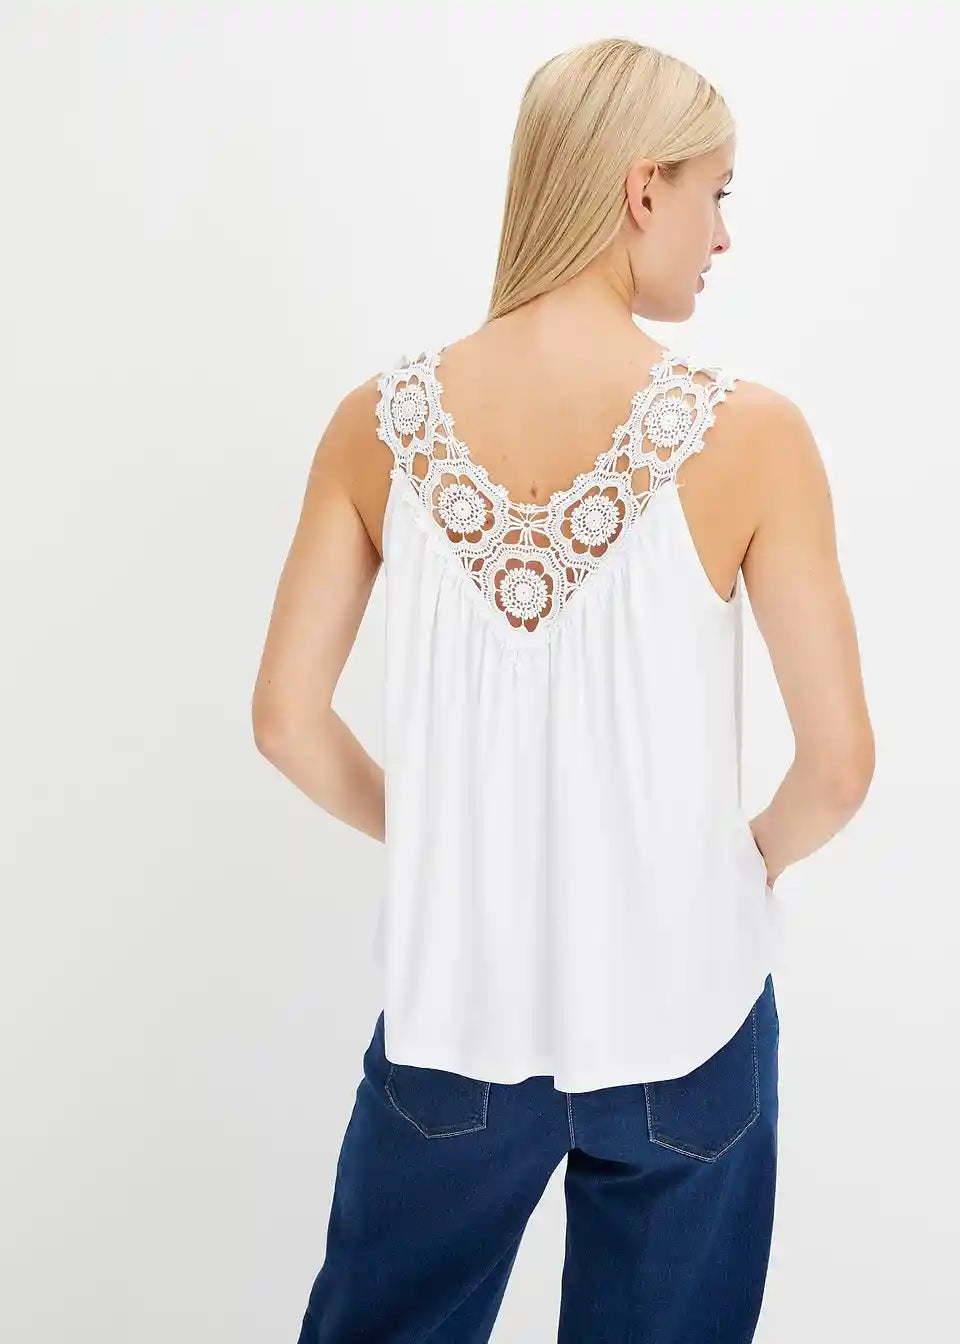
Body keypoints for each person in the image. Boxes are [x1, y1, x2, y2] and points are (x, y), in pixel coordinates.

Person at [252, 36, 874, 1344]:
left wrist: (440, 835)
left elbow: (287, 722)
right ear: (643, 190)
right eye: (715, 193)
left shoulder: (378, 423)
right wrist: (740, 861)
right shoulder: (753, 434)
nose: (723, 235)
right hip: (685, 1017)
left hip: (454, 1021)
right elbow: (838, 768)